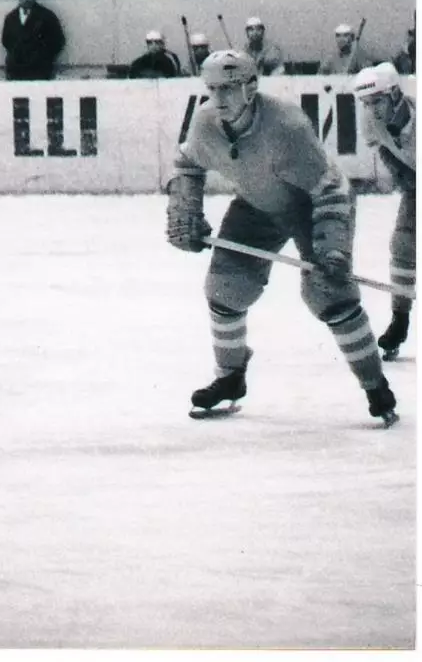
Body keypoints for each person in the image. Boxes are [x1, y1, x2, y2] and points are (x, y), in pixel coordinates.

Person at [166, 50, 397, 425]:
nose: (218, 98)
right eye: (211, 89)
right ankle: (230, 378)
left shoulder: (287, 125)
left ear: (251, 87)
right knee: (225, 289)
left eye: (228, 88)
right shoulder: (205, 122)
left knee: (330, 293)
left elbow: (328, 187)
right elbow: (188, 161)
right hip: (257, 205)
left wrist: (332, 247)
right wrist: (185, 210)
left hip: (312, 204)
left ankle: (375, 386)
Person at [352, 63, 415, 360]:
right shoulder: (369, 120)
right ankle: (400, 321)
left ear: (395, 95)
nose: (371, 109)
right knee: (402, 246)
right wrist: (403, 176)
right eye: (366, 102)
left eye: (376, 101)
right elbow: (385, 149)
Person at [0, 0, 66, 81]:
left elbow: (58, 40)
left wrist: (44, 57)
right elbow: (6, 40)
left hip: (39, 69)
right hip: (16, 69)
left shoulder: (46, 16)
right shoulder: (10, 17)